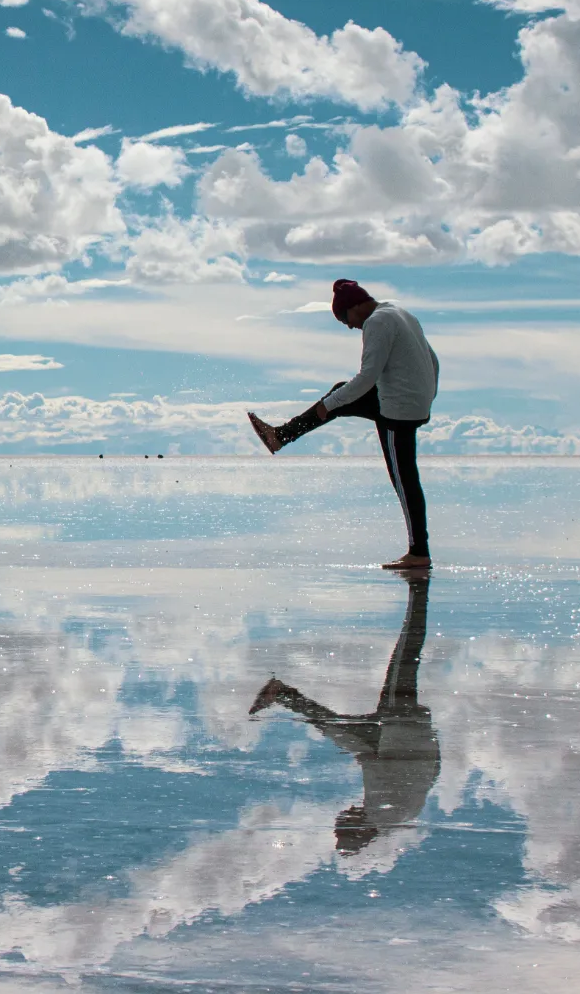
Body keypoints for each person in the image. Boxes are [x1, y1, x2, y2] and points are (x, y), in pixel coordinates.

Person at [248, 279, 439, 570]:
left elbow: (366, 378)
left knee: (404, 481)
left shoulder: (377, 322)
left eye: (344, 319)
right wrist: (428, 395)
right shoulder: (399, 312)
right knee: (339, 391)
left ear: (355, 306)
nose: (349, 327)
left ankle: (419, 552)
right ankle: (281, 436)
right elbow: (432, 359)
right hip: (412, 401)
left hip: (398, 410)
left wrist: (328, 405)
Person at [248, 572, 438, 856]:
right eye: (345, 819)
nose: (346, 811)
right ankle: (418, 594)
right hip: (400, 727)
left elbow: (425, 773)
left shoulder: (397, 818)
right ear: (356, 828)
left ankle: (285, 695)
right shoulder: (381, 813)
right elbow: (370, 761)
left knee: (336, 728)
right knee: (405, 654)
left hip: (406, 735)